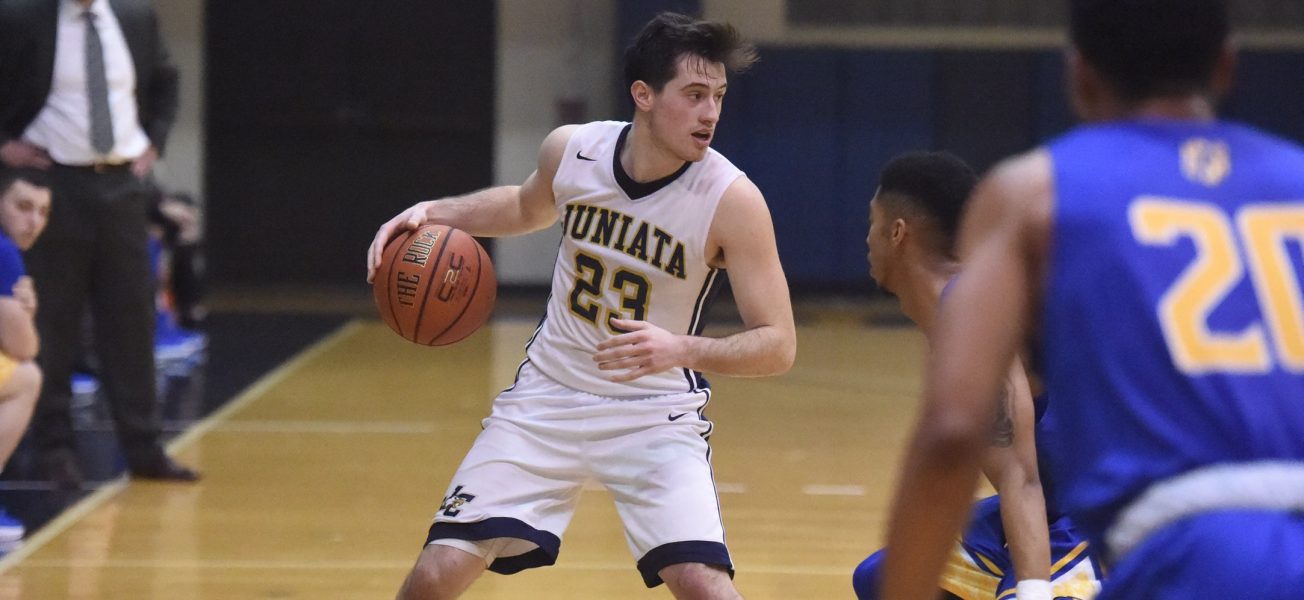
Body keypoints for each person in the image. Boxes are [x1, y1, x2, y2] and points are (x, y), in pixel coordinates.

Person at [878, 1, 1304, 598]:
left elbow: (953, 431)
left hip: (1187, 554)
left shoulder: (1034, 193)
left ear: (1078, 74)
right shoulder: (1297, 181)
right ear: (1227, 67)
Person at [367, 12, 794, 599]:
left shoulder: (732, 199)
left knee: (703, 585)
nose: (711, 114)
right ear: (643, 95)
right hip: (547, 398)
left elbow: (778, 344)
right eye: (694, 95)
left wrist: (681, 349)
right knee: (435, 576)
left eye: (718, 96)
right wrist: (433, 212)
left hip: (652, 412)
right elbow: (522, 208)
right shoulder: (574, 150)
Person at [852, 153, 1100, 600]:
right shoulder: (955, 312)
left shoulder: (973, 308)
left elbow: (1020, 476)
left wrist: (1032, 591)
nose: (866, 238)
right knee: (883, 579)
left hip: (1101, 510)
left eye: (872, 222)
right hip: (1047, 510)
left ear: (897, 233)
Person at [0, 0, 198, 484]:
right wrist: (4, 143)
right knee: (53, 318)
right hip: (51, 182)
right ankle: (54, 448)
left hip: (121, 185)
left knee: (132, 316)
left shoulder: (134, 17)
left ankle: (144, 446)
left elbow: (165, 81)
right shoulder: (22, 16)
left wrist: (154, 140)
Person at [0, 168, 52, 545]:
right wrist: (26, 316)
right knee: (26, 376)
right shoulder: (4, 251)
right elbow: (24, 347)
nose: (33, 221)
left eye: (44, 212)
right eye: (22, 207)